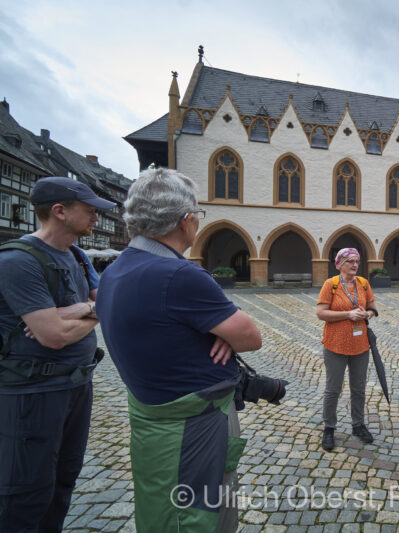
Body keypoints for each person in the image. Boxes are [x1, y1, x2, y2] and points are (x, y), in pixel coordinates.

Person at [96, 168, 262, 532]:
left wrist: (213, 329)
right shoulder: (178, 275)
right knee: (199, 515)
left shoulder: (115, 270)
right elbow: (251, 336)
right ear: (186, 221)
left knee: (162, 510)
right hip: (193, 428)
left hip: (153, 420)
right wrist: (225, 332)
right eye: (197, 216)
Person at [0, 176, 114, 531]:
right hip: (31, 394)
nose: (96, 217)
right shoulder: (18, 261)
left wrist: (73, 310)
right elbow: (53, 337)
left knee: (63, 482)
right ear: (60, 212)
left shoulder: (79, 257)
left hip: (77, 387)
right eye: (89, 210)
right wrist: (88, 312)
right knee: (25, 492)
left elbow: (110, 303)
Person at [316, 248, 379, 451]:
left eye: (357, 261)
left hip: (360, 345)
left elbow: (372, 307)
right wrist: (347, 314)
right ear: (340, 263)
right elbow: (321, 313)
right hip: (335, 345)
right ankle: (329, 428)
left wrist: (366, 314)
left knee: (358, 388)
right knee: (333, 389)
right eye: (350, 261)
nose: (354, 265)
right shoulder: (331, 284)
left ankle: (358, 424)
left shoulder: (363, 283)